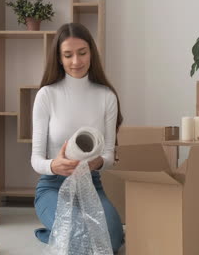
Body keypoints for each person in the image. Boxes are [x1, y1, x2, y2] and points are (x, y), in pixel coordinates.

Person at [31, 22, 124, 253]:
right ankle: (60, 232)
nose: (76, 61)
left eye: (82, 53)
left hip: (91, 184)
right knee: (78, 234)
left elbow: (109, 155)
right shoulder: (47, 95)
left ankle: (55, 235)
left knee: (112, 240)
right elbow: (35, 160)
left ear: (91, 52)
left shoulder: (106, 96)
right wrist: (54, 165)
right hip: (52, 186)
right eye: (68, 55)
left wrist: (97, 163)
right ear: (59, 58)